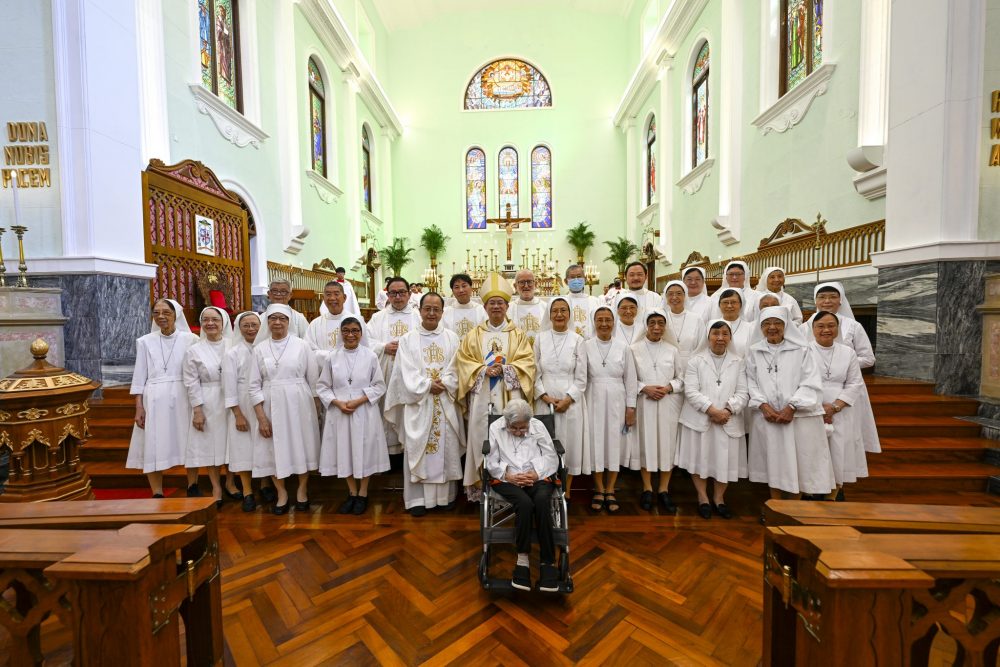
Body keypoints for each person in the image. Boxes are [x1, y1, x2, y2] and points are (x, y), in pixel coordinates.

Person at [455, 273, 536, 497]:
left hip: (510, 396)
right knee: (482, 437)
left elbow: (528, 363)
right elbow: (463, 362)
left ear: (508, 306)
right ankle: (482, 487)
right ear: (485, 306)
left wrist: (506, 369)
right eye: (492, 303)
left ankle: (512, 484)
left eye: (500, 302)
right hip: (482, 397)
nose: (496, 307)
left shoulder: (518, 335)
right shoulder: (473, 335)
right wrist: (482, 370)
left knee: (509, 438)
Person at [385, 293, 465, 516]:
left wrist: (445, 383)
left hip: (445, 402)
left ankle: (445, 497)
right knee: (418, 447)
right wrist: (427, 385)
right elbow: (404, 371)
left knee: (445, 447)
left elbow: (457, 368)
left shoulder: (452, 338)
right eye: (427, 308)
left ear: (442, 312)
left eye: (436, 309)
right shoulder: (408, 339)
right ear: (419, 311)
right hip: (418, 403)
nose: (431, 313)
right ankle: (417, 500)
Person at [746, 306, 835, 500]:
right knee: (773, 461)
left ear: (786, 325)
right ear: (760, 327)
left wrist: (792, 407)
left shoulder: (802, 349)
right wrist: (763, 406)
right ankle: (775, 504)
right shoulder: (754, 351)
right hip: (767, 417)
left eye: (777, 323)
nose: (772, 327)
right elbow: (750, 382)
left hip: (797, 417)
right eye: (766, 323)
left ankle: (796, 506)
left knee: (800, 460)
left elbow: (811, 381)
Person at [249, 304, 321, 514]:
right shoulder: (259, 349)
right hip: (270, 404)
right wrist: (261, 417)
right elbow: (253, 385)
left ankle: (302, 490)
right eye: (273, 318)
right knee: (272, 449)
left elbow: (314, 380)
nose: (277, 322)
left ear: (289, 322)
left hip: (300, 402)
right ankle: (281, 493)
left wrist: (315, 411)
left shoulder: (302, 345)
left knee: (303, 445)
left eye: (282, 318)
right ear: (267, 322)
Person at [485, 399, 560, 592]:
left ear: (530, 421)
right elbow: (491, 459)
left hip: (537, 476)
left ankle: (548, 562)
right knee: (525, 504)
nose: (518, 432)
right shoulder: (495, 427)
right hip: (507, 479)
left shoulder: (538, 426)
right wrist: (508, 475)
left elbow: (551, 456)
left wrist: (536, 473)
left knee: (542, 501)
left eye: (522, 428)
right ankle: (523, 559)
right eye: (514, 428)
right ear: (506, 421)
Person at [126, 299, 199, 497]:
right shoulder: (144, 341)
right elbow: (140, 376)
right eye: (156, 312)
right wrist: (139, 407)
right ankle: (157, 491)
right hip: (155, 398)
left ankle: (192, 485)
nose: (161, 316)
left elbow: (195, 372)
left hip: (183, 396)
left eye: (166, 312)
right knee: (153, 442)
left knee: (188, 441)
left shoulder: (191, 339)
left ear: (176, 314)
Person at [317, 317, 388, 515]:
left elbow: (379, 385)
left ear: (361, 333)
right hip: (340, 412)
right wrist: (337, 402)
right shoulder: (332, 357)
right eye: (346, 330)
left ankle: (363, 493)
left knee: (364, 451)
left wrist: (358, 400)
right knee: (345, 451)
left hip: (363, 410)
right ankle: (352, 492)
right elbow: (323, 386)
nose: (350, 335)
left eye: (355, 330)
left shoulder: (370, 356)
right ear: (341, 333)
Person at [678, 321, 749, 519]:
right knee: (700, 459)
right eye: (715, 333)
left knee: (724, 461)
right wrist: (711, 410)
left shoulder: (738, 361)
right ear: (707, 336)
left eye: (725, 333)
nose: (720, 337)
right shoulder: (695, 360)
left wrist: (727, 410)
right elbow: (690, 390)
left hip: (728, 420)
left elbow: (744, 392)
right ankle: (702, 497)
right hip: (702, 418)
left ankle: (719, 498)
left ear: (730, 337)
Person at [802, 282, 879, 454]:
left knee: (843, 437)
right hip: (813, 388)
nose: (827, 301)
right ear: (815, 301)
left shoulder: (853, 326)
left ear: (841, 300)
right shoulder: (804, 326)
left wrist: (842, 364)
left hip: (845, 387)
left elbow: (868, 359)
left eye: (833, 297)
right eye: (822, 297)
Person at [810, 311, 872, 499]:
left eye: (831, 326)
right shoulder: (803, 351)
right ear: (813, 329)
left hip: (840, 409)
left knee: (839, 450)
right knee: (814, 451)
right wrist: (817, 406)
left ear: (838, 329)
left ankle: (835, 492)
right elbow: (798, 381)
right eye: (820, 326)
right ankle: (813, 491)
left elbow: (855, 383)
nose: (826, 330)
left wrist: (835, 406)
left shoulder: (848, 352)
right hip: (812, 408)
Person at [533, 297, 589, 500]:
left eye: (563, 310)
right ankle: (546, 488)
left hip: (570, 403)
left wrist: (568, 399)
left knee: (569, 444)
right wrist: (546, 397)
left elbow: (582, 377)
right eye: (555, 311)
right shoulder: (540, 339)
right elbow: (534, 372)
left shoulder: (578, 340)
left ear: (569, 314)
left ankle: (566, 490)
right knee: (546, 444)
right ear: (549, 315)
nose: (559, 314)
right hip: (544, 400)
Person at [584, 306, 637, 514]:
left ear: (613, 323)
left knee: (615, 443)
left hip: (617, 397)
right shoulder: (585, 345)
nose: (604, 324)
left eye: (608, 319)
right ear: (594, 322)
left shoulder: (623, 347)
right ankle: (598, 488)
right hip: (593, 396)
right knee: (596, 443)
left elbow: (631, 379)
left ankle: (610, 489)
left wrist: (630, 407)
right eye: (600, 320)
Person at [630, 309, 683, 513]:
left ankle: (663, 489)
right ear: (646, 325)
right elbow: (628, 378)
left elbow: (681, 378)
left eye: (661, 323)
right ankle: (647, 488)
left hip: (667, 403)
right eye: (652, 323)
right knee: (646, 443)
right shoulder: (634, 349)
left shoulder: (672, 350)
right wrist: (644, 388)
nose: (656, 327)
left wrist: (669, 387)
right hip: (644, 402)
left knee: (666, 445)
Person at [182, 307, 232, 505]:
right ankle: (216, 487)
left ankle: (231, 482)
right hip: (208, 400)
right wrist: (198, 410)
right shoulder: (194, 350)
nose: (210, 323)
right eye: (206, 319)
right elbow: (191, 382)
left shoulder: (233, 345)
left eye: (215, 320)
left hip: (232, 399)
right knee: (213, 446)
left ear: (224, 323)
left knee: (232, 443)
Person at [367, 276, 421, 454]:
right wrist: (384, 347)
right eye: (393, 293)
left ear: (409, 294)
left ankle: (408, 450)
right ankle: (387, 454)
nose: (398, 297)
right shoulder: (377, 318)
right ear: (387, 295)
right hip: (386, 371)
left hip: (410, 374)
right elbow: (366, 341)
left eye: (402, 292)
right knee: (385, 409)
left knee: (408, 410)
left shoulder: (419, 316)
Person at [223, 311, 260, 511]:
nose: (251, 329)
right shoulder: (232, 354)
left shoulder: (265, 348)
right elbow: (228, 387)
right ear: (239, 328)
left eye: (254, 324)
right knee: (243, 448)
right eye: (246, 325)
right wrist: (237, 413)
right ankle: (247, 491)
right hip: (242, 404)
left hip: (263, 402)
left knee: (264, 445)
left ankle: (265, 484)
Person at [306, 281, 368, 364]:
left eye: (336, 294)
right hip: (323, 372)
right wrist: (333, 356)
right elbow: (308, 351)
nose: (332, 298)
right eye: (328, 294)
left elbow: (365, 350)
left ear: (344, 297)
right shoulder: (315, 324)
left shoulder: (357, 321)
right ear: (323, 299)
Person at [662, 280, 707, 371]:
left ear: (685, 296)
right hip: (666, 365)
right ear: (665, 297)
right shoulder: (662, 318)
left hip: (692, 366)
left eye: (679, 293)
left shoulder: (696, 319)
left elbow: (702, 346)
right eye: (670, 294)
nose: (674, 297)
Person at [508, 269, 548, 347]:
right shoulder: (508, 309)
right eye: (522, 282)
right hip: (518, 355)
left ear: (536, 284)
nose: (526, 286)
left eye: (529, 282)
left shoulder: (546, 307)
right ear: (515, 286)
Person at [442, 273, 487, 338]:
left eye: (464, 286)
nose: (461, 290)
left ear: (471, 288)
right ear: (452, 291)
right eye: (457, 287)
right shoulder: (446, 312)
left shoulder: (481, 310)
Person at [563, 264, 600, 338]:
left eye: (579, 276)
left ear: (585, 279)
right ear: (566, 281)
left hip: (590, 344)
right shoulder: (562, 302)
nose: (576, 280)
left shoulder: (595, 301)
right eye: (572, 277)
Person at [716, 289, 752, 358]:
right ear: (719, 305)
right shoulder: (711, 326)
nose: (729, 306)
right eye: (725, 302)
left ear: (741, 305)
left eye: (733, 302)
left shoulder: (750, 328)